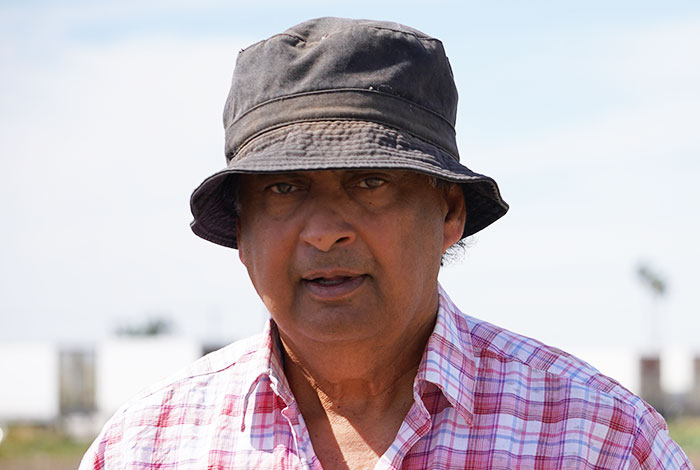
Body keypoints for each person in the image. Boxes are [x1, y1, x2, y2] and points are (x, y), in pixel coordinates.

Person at [80, 17, 692, 470]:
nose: (324, 231)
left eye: (370, 182)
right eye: (284, 188)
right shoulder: (148, 446)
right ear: (242, 231)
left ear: (449, 212)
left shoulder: (599, 440)